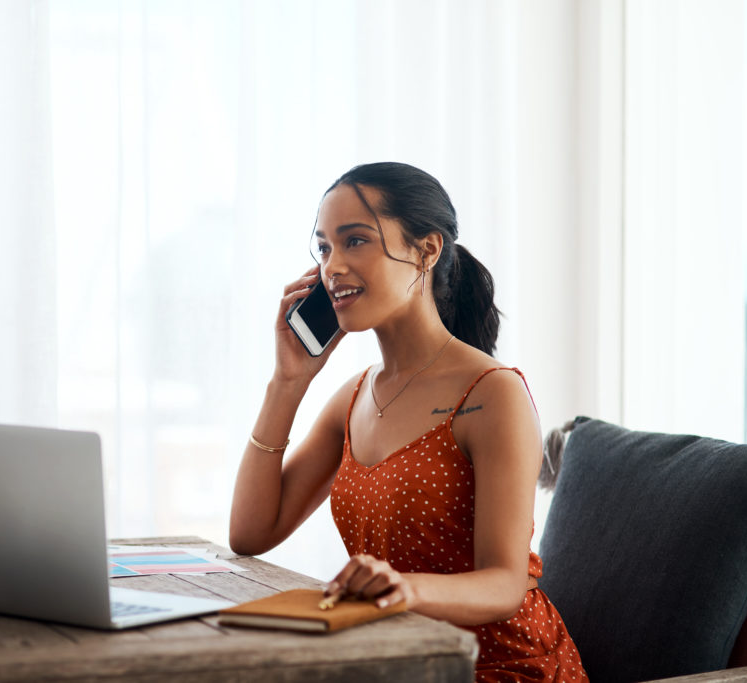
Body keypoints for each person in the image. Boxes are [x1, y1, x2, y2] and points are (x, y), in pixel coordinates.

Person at [229, 162, 588, 681]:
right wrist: (288, 383)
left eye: (355, 241)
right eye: (324, 248)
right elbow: (250, 532)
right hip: (403, 663)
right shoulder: (353, 398)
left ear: (427, 249)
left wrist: (403, 589)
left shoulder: (492, 394)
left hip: (503, 666)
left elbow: (505, 584)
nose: (332, 267)